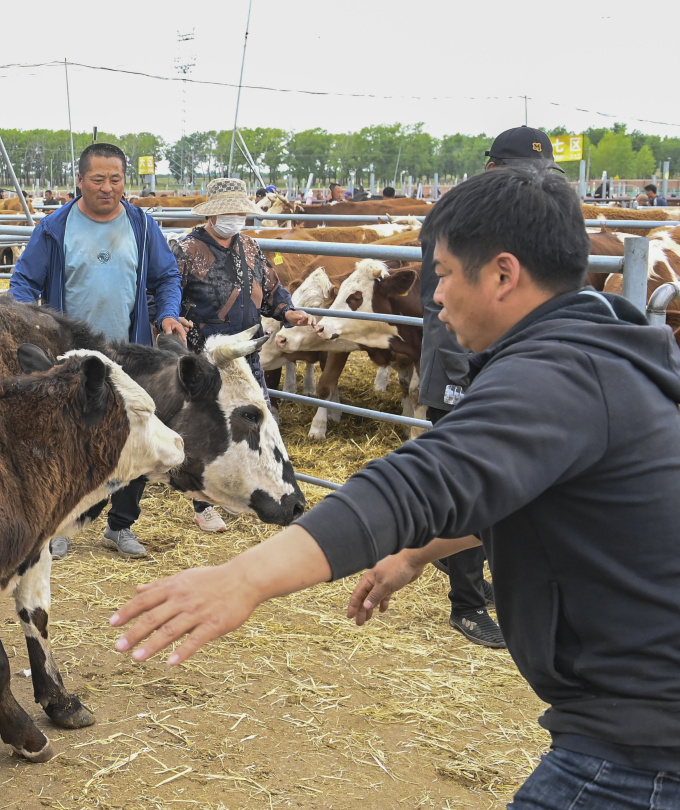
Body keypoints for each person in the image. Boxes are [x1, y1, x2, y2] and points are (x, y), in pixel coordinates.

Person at [112, 164, 680, 810]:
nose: (432, 297)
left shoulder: (555, 378)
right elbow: (506, 488)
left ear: (502, 274)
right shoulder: (597, 350)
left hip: (639, 750)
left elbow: (416, 482)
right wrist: (415, 555)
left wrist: (244, 579)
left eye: (441, 273)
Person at [419, 125, 564, 648]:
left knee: (510, 482)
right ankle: (467, 604)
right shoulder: (459, 218)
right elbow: (439, 301)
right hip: (463, 365)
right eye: (525, 175)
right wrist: (464, 376)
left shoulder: (526, 218)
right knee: (468, 486)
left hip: (507, 367)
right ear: (492, 170)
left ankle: (480, 576)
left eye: (543, 176)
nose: (535, 185)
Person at [10, 142, 189, 560]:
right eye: (98, 179)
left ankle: (120, 526)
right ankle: (63, 525)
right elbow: (23, 281)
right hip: (74, 355)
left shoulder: (143, 226)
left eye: (116, 179)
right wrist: (27, 321)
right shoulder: (55, 227)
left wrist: (167, 314)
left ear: (125, 180)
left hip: (130, 352)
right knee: (71, 438)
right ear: (79, 180)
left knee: (134, 435)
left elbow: (167, 278)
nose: (107, 188)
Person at [173, 177, 316, 533]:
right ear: (213, 213)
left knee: (261, 424)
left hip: (248, 353)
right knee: (213, 430)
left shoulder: (250, 248)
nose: (237, 217)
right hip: (208, 357)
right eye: (230, 211)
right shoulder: (186, 250)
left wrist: (289, 311)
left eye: (241, 211)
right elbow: (165, 296)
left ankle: (269, 490)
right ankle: (204, 502)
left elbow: (272, 291)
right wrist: (172, 319)